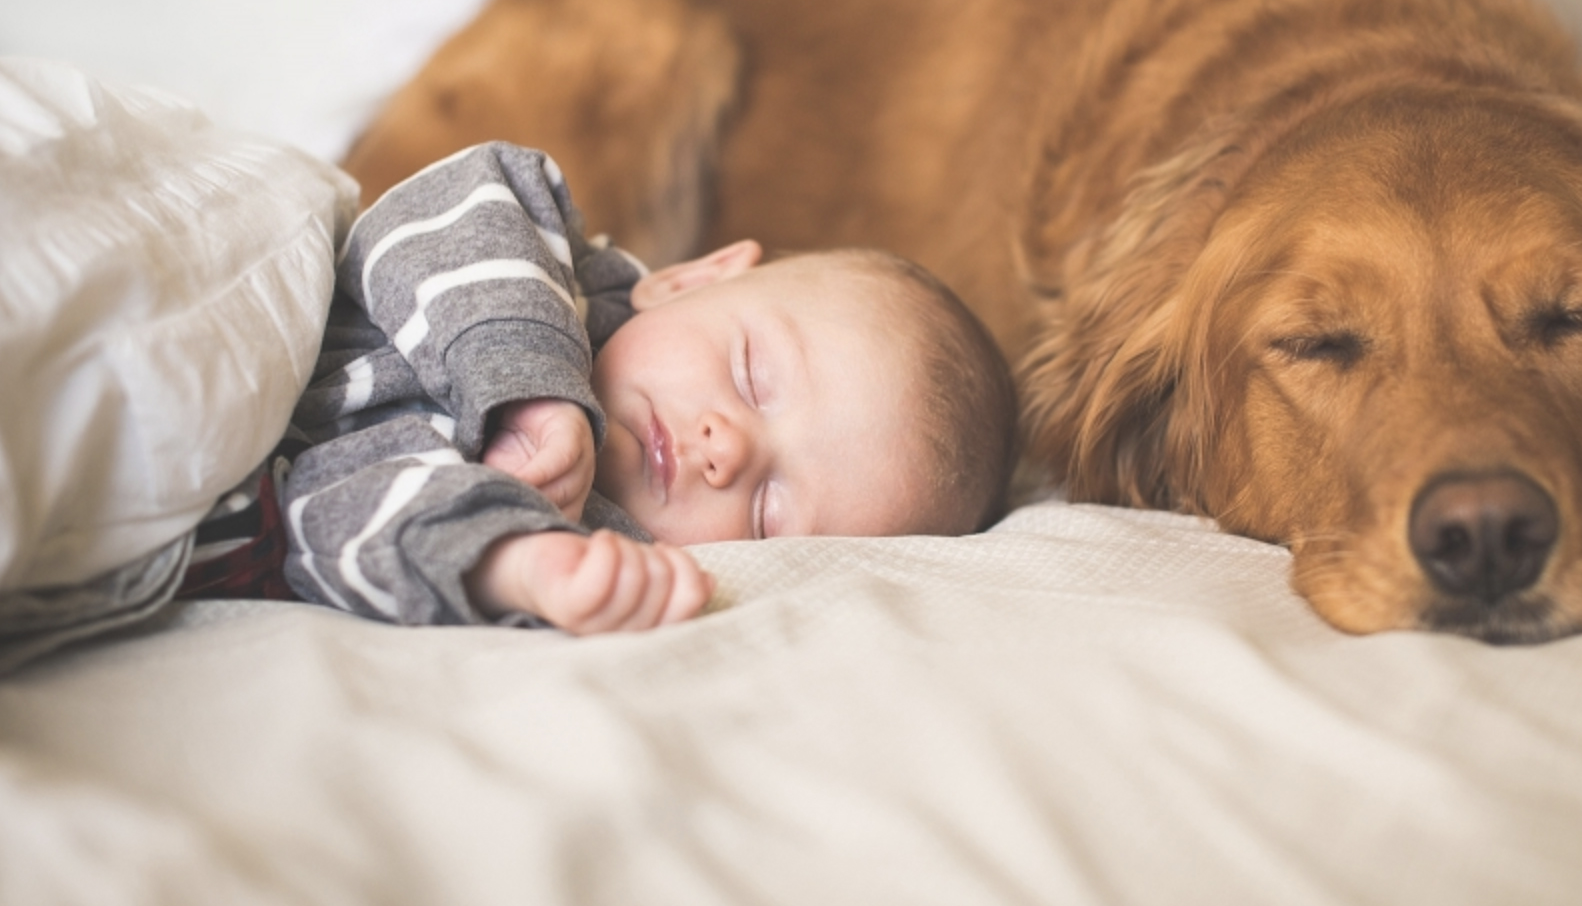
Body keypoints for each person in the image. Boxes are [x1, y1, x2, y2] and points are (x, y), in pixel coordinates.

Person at [178, 141, 1018, 634]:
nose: (727, 449)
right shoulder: (545, 260)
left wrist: (517, 564)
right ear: (691, 281)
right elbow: (435, 208)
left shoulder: (591, 545)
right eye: (752, 376)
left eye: (769, 513)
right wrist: (531, 383)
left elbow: (332, 523)